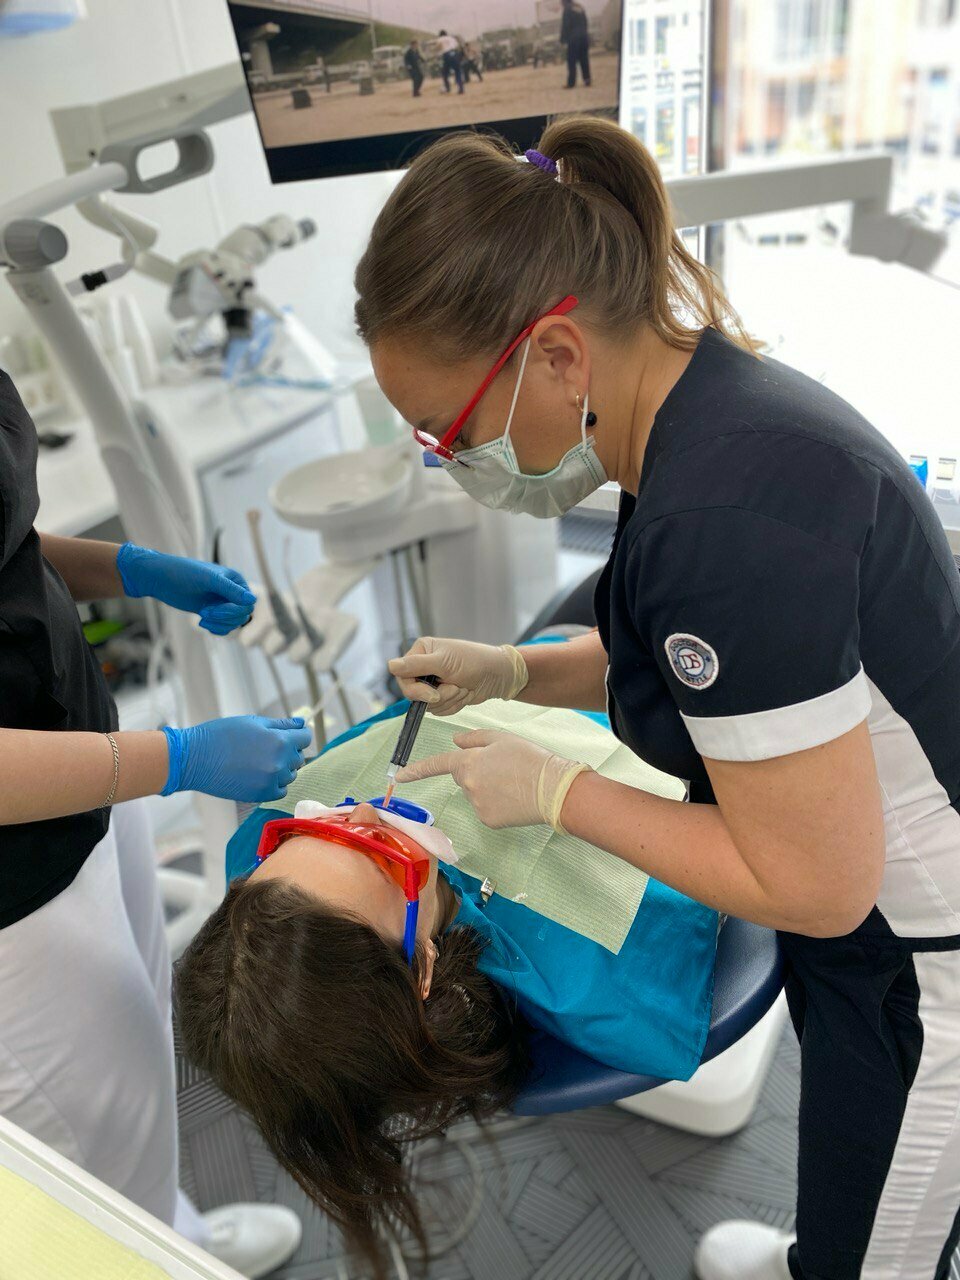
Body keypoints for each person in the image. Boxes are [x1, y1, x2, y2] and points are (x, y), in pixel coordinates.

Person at [354, 117, 960, 1280]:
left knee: (887, 1240)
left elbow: (817, 885)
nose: (451, 459)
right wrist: (514, 670)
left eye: (450, 431)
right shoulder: (693, 413)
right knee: (850, 1156)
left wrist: (557, 790)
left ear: (557, 356)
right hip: (864, 896)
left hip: (924, 949)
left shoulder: (724, 520)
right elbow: (711, 672)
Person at [174, 697, 718, 1279]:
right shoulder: (596, 965)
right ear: (425, 968)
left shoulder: (258, 876)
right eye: (382, 855)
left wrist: (518, 674)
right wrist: (567, 794)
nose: (363, 810)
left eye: (314, 825)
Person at [0, 369, 310, 1276]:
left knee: (143, 1056)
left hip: (85, 777)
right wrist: (179, 758)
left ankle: (179, 1234)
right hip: (15, 902)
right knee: (88, 1154)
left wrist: (124, 568)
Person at [560, 0, 590, 88]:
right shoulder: (579, 7)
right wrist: (584, 33)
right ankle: (587, 79)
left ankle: (571, 83)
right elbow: (586, 22)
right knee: (584, 59)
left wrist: (562, 40)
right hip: (584, 37)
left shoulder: (567, 9)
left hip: (573, 39)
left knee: (571, 61)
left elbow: (566, 25)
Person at [437, 28, 463, 95]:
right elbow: (457, 46)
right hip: (454, 54)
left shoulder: (440, 39)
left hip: (446, 55)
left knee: (445, 73)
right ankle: (461, 88)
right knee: (458, 72)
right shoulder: (451, 38)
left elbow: (439, 48)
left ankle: (447, 88)